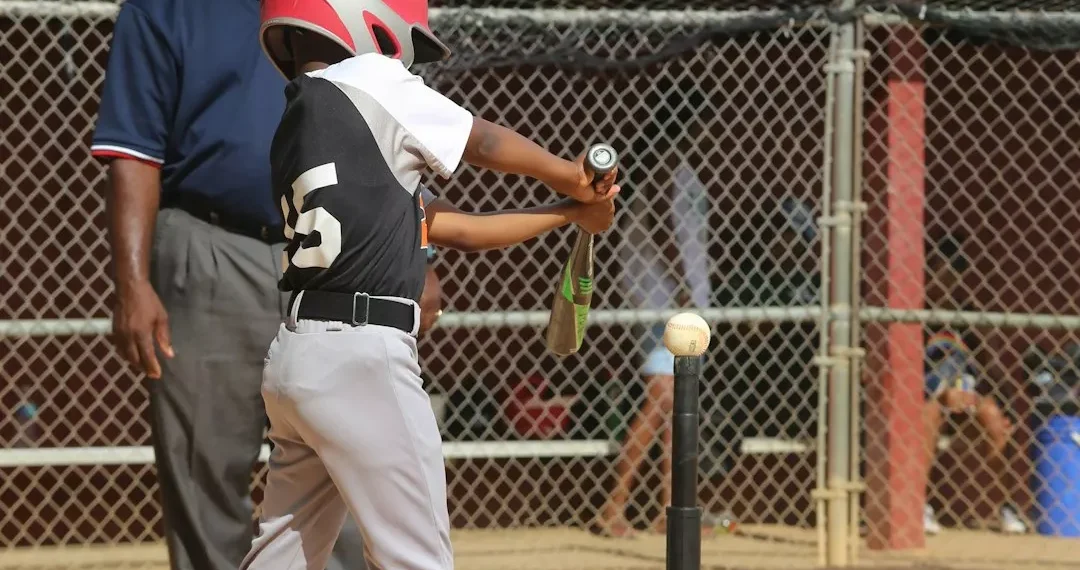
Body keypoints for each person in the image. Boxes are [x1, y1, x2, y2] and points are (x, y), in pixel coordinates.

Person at [240, 1, 620, 568]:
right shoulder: (371, 79)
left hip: (297, 357)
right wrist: (574, 176)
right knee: (417, 558)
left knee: (282, 555)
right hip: (362, 355)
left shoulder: (306, 118)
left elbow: (456, 230)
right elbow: (483, 142)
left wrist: (569, 211)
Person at [91, 2, 371, 567]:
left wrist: (424, 252)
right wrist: (132, 284)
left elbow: (396, 130)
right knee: (206, 464)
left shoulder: (348, 4)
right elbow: (133, 153)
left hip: (336, 250)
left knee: (344, 457)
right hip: (210, 246)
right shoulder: (164, 9)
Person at [598, 85, 712, 538]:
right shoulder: (665, 170)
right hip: (666, 303)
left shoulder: (673, 171)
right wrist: (684, 285)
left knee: (673, 406)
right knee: (663, 400)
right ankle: (615, 504)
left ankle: (671, 507)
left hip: (675, 302)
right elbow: (665, 225)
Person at [920, 233, 1027, 535]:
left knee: (993, 416)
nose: (947, 286)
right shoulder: (914, 312)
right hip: (928, 401)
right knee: (929, 411)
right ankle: (918, 504)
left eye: (954, 278)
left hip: (965, 398)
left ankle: (1004, 506)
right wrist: (943, 397)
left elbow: (987, 366)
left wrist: (987, 398)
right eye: (942, 275)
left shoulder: (964, 316)